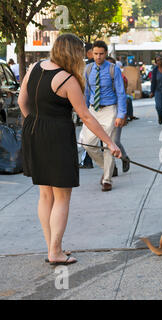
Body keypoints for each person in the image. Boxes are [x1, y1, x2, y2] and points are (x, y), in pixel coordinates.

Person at [17, 33, 122, 265]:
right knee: (62, 196)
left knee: (45, 194)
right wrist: (110, 143)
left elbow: (21, 102)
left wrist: (37, 123)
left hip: (33, 133)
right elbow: (86, 116)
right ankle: (55, 251)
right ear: (73, 53)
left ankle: (52, 247)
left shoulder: (34, 67)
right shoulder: (67, 80)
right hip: (57, 138)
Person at [80, 40, 128, 192]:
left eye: (101, 54)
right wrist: (83, 111)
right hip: (93, 110)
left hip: (110, 110)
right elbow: (87, 92)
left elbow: (121, 93)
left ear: (106, 54)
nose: (98, 57)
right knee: (87, 143)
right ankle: (108, 166)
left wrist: (121, 114)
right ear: (91, 54)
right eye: (95, 54)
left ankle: (107, 179)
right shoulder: (88, 70)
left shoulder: (114, 70)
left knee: (109, 145)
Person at [105, 56, 131, 174]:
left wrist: (123, 115)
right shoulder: (101, 78)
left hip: (117, 111)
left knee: (114, 140)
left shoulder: (121, 78)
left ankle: (124, 158)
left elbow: (123, 96)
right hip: (103, 113)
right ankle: (112, 167)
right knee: (106, 143)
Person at [79, 43, 95, 169]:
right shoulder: (103, 66)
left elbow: (86, 90)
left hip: (91, 106)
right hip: (102, 107)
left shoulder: (87, 67)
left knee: (88, 136)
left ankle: (87, 161)